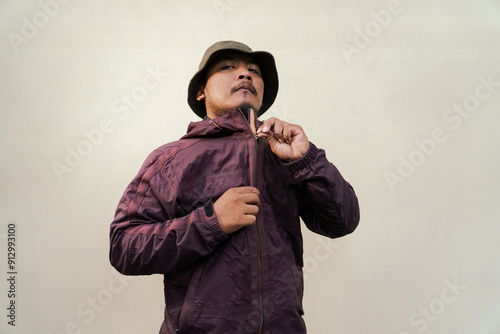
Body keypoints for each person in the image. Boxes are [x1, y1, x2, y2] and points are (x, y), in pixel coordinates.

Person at [109, 40, 360, 334]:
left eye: (253, 70)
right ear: (201, 91)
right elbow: (124, 246)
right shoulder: (170, 160)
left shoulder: (288, 153)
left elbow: (343, 221)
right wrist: (211, 222)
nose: (245, 75)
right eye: (228, 67)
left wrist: (305, 160)